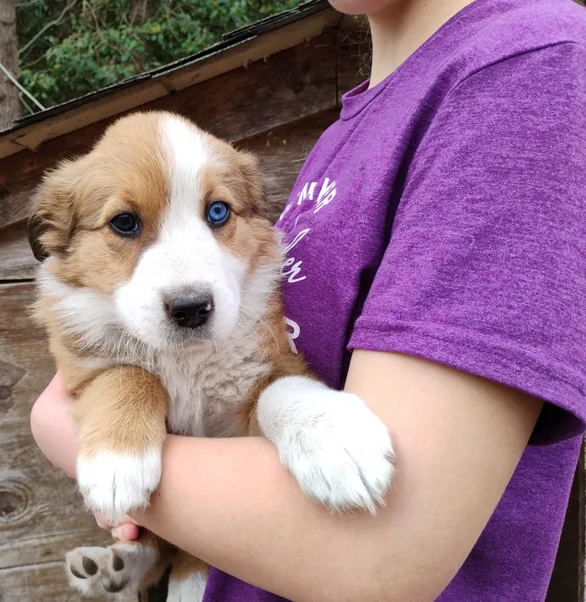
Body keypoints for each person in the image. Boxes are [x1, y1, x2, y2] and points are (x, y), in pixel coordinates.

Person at [30, 0, 586, 599]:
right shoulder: (342, 136)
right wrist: (119, 409)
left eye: (218, 213)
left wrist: (63, 430)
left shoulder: (527, 65)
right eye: (126, 225)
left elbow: (380, 554)